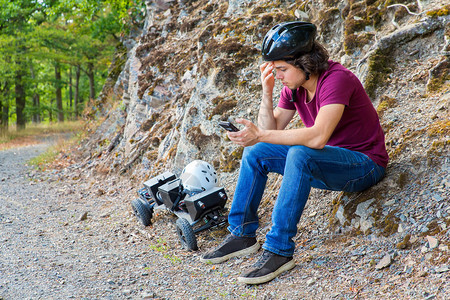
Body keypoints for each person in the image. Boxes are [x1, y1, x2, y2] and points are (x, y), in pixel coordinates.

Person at [200, 21, 389, 285]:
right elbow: (270, 132)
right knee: (257, 151)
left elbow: (318, 135)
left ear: (305, 62)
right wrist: (267, 95)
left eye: (282, 69)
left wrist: (261, 135)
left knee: (301, 153)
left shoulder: (337, 79)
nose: (278, 75)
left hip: (364, 165)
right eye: (275, 70)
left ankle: (279, 251)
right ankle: (242, 233)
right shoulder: (294, 88)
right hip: (329, 162)